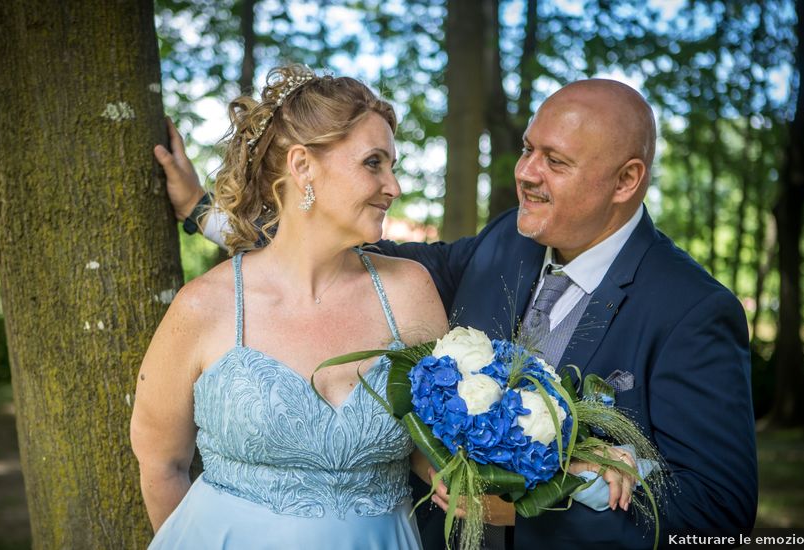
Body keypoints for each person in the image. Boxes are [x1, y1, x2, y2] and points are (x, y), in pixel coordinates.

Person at [161, 77, 756, 549]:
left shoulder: (693, 312)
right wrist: (205, 213)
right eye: (528, 149)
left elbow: (716, 514)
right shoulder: (509, 242)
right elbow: (336, 252)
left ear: (626, 180)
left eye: (555, 160)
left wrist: (535, 513)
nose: (525, 172)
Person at [130, 64, 450, 549]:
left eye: (392, 166)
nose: (394, 186)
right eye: (373, 163)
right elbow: (161, 464)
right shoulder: (205, 306)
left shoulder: (409, 292)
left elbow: (431, 446)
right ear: (302, 166)